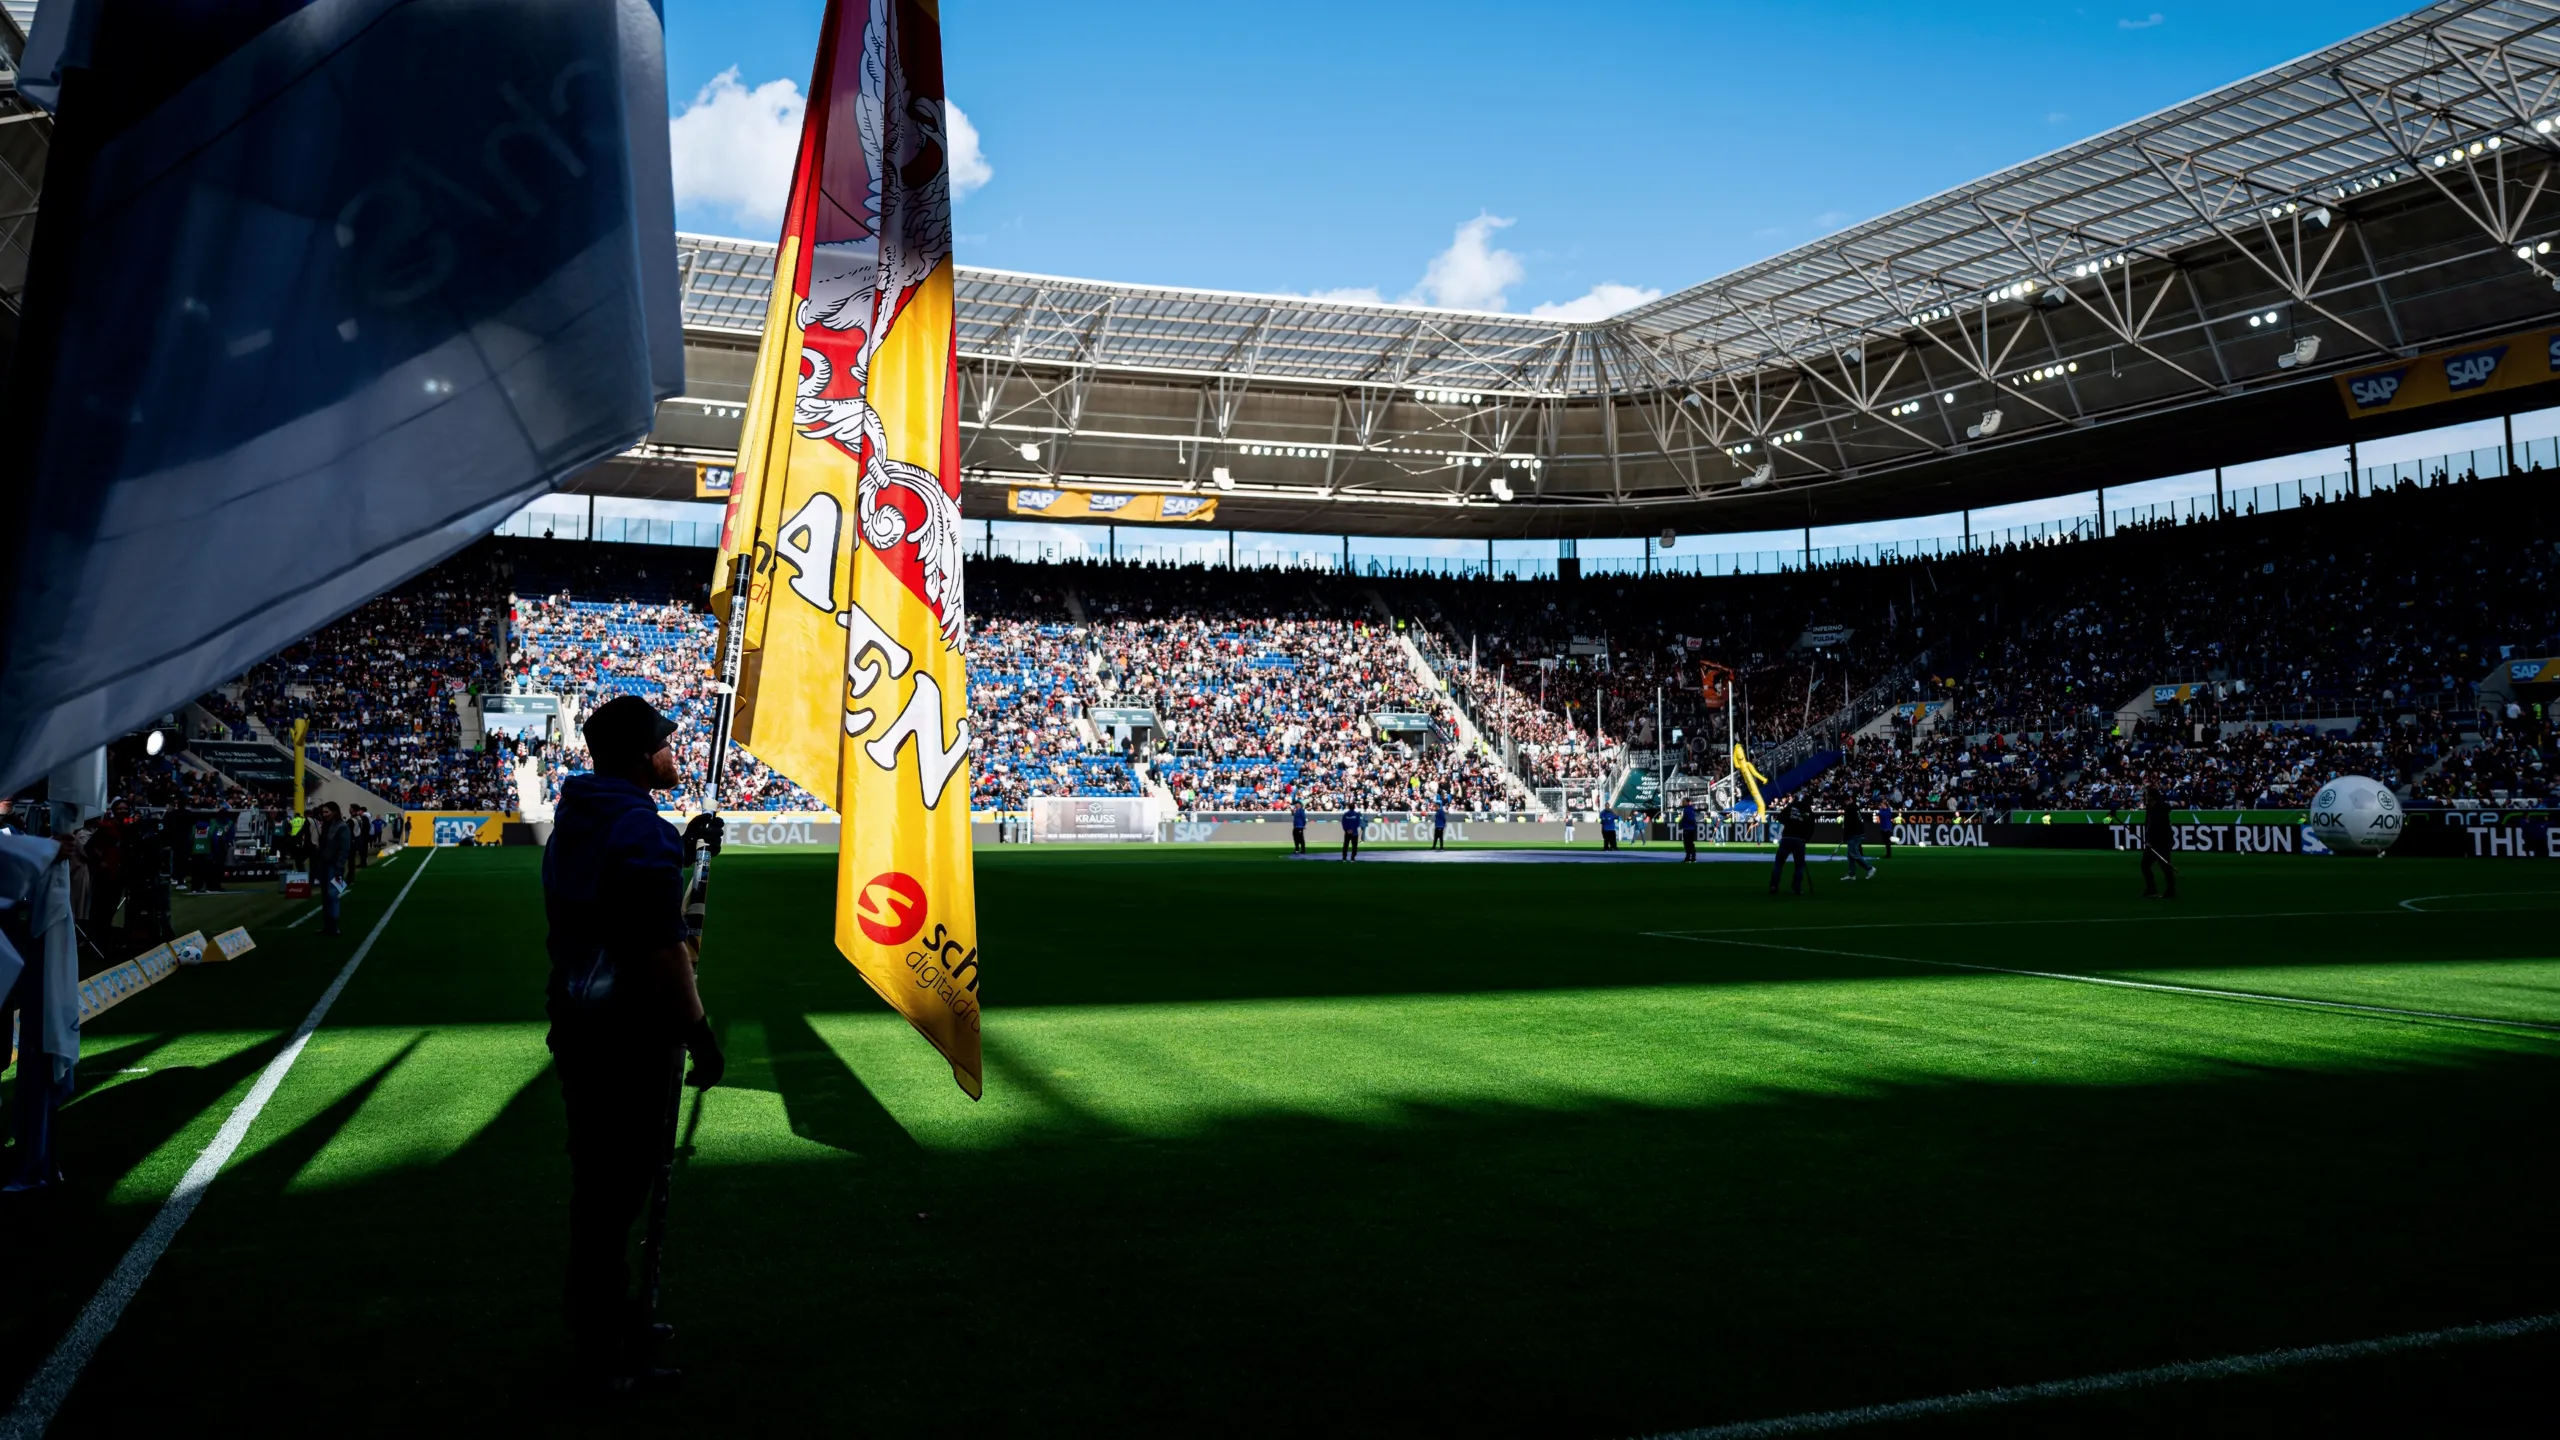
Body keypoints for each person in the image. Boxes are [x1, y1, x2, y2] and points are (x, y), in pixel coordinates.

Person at [544, 695, 725, 1390]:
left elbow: (607, 891)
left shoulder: (582, 818)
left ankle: (610, 1322)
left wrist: (680, 851)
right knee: (616, 1196)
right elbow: (662, 948)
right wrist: (700, 1036)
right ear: (641, 757)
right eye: (664, 744)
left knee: (599, 1189)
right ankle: (601, 1354)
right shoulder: (637, 830)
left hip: (580, 1028)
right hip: (628, 1039)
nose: (673, 752)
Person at [309, 802, 351, 936]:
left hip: (335, 867)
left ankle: (334, 927)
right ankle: (327, 926)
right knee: (325, 897)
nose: (324, 814)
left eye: (327, 812)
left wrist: (340, 868)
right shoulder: (326, 826)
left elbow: (344, 850)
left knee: (333, 896)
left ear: (334, 811)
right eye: (323, 812)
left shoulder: (342, 827)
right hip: (324, 865)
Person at [2141, 784, 2179, 900]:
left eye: (2147, 795)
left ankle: (2170, 890)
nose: (2145, 797)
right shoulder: (2150, 807)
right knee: (2145, 865)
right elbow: (2149, 825)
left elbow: (2158, 827)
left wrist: (2150, 841)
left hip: (2163, 841)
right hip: (2154, 842)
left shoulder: (2160, 807)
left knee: (2165, 865)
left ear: (2152, 797)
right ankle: (2151, 889)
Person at [1768, 798, 1811, 896]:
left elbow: (1780, 818)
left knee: (1778, 864)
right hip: (1799, 840)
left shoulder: (1790, 808)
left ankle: (1773, 885)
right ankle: (1797, 888)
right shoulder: (1807, 812)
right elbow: (1810, 827)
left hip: (1787, 838)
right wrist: (1806, 839)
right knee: (1799, 866)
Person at [1839, 802, 1875, 881]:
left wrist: (1844, 837)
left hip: (1854, 834)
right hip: (1858, 833)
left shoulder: (1849, 810)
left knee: (1853, 854)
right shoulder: (1855, 808)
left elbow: (1848, 825)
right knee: (1850, 855)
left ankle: (1870, 868)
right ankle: (1852, 874)